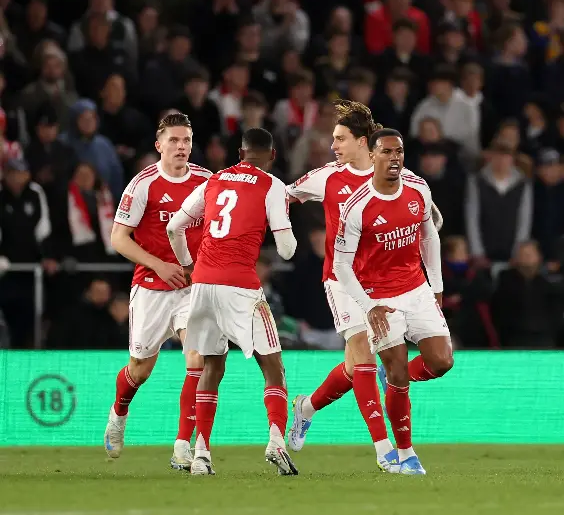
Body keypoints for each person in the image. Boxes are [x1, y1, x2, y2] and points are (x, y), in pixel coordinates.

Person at [285, 101, 452, 472]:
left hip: (395, 283)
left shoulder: (400, 176)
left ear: (363, 142)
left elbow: (426, 223)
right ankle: (384, 450)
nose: (333, 146)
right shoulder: (326, 177)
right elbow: (282, 195)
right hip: (343, 280)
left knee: (355, 367)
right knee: (362, 356)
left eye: (340, 139)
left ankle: (306, 407)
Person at [166, 128, 298, 477]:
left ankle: (201, 454)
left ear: (240, 153)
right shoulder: (272, 185)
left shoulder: (214, 180)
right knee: (273, 366)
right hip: (240, 287)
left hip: (203, 283)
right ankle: (276, 441)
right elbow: (286, 250)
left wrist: (188, 265)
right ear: (272, 156)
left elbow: (174, 227)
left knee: (211, 367)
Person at [332, 128, 450, 475]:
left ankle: (392, 379)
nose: (394, 158)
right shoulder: (357, 206)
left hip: (416, 289)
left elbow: (429, 235)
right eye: (386, 152)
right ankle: (406, 454)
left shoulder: (418, 188)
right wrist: (368, 306)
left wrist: (436, 284)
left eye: (398, 152)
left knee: (442, 361)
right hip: (379, 297)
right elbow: (341, 265)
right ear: (372, 156)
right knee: (398, 373)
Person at [104, 113, 212, 470]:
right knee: (140, 369)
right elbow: (119, 238)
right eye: (174, 141)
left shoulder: (206, 181)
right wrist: (159, 265)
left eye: (186, 140)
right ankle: (119, 412)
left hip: (192, 288)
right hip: (151, 286)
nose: (181, 147)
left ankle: (182, 446)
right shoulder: (143, 184)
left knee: (197, 359)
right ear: (159, 145)